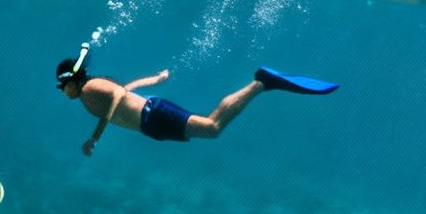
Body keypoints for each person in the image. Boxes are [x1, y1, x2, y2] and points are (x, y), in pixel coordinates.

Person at [55, 44, 338, 155]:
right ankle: (263, 83)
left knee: (212, 128)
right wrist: (153, 80)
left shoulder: (90, 89)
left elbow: (118, 95)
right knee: (210, 128)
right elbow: (123, 90)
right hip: (151, 119)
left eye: (62, 86)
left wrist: (96, 137)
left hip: (153, 115)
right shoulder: (90, 91)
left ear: (72, 80)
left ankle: (261, 82)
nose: (63, 92)